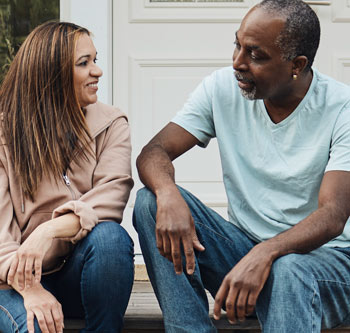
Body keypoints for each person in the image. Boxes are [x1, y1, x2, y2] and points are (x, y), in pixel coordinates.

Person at [133, 0, 350, 332]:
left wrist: (267, 253)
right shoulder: (223, 88)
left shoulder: (341, 109)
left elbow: (333, 214)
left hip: (325, 264)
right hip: (244, 255)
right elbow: (154, 151)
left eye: (256, 55)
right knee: (150, 204)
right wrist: (167, 192)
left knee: (289, 269)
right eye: (237, 45)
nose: (237, 62)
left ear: (297, 64)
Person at [0, 21, 134, 333]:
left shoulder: (111, 124)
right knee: (36, 328)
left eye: (95, 60)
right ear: (52, 73)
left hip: (77, 274)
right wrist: (30, 287)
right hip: (11, 284)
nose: (97, 72)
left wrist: (46, 231)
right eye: (84, 63)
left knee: (112, 239)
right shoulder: (5, 132)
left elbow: (110, 202)